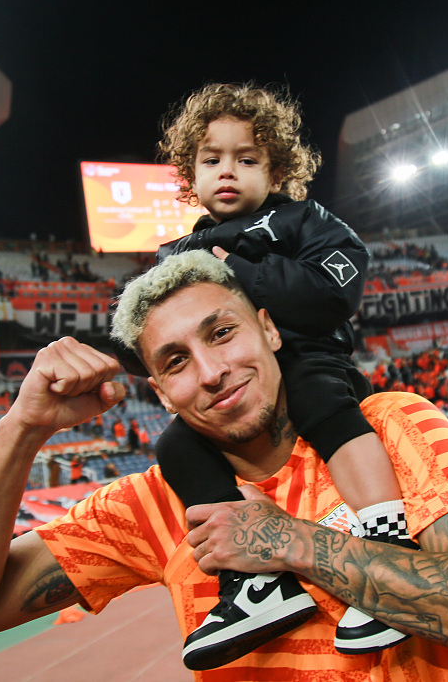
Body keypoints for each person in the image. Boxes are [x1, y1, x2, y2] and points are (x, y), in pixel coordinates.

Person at [0, 251, 448, 679]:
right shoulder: (151, 504)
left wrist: (293, 543)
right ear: (160, 391)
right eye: (174, 361)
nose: (210, 373)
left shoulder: (390, 427)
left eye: (222, 331)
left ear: (270, 328)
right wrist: (18, 431)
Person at [111, 82, 415, 664]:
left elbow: (336, 287)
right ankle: (258, 586)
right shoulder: (175, 253)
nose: (228, 171)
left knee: (316, 395)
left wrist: (238, 271)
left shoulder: (304, 220)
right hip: (236, 383)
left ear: (275, 171)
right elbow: (146, 333)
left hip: (309, 360)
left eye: (246, 159)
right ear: (189, 175)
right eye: (212, 159)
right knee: (174, 443)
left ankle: (385, 549)